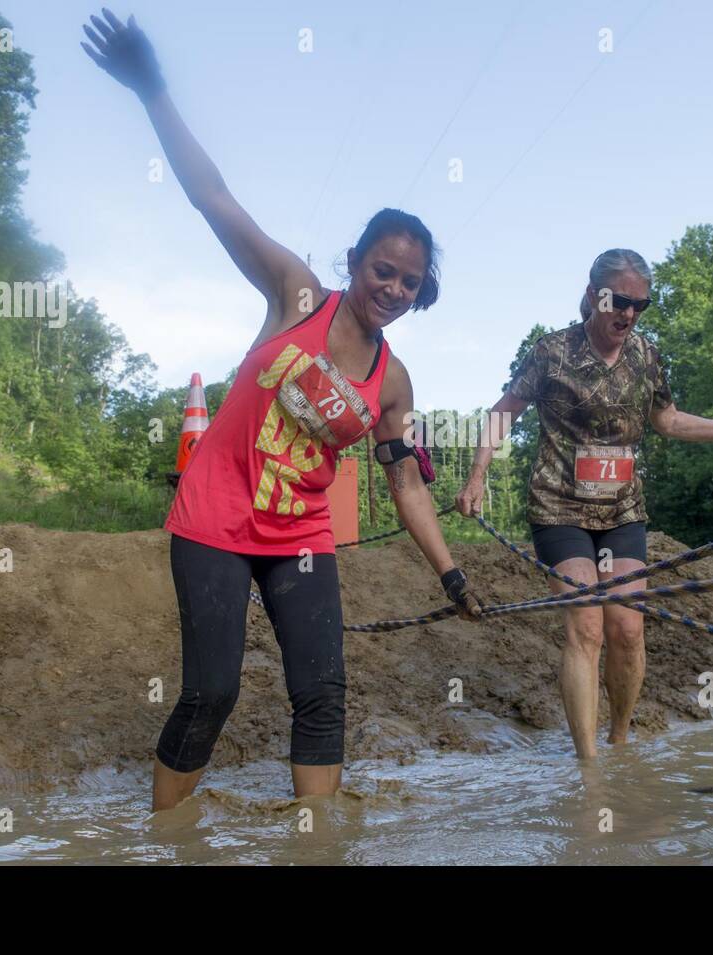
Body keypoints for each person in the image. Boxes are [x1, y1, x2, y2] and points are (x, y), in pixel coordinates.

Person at [81, 9, 483, 810]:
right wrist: (151, 89)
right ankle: (165, 844)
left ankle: (319, 842)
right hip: (215, 520)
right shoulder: (295, 294)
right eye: (383, 270)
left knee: (323, 694)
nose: (394, 289)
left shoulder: (394, 382)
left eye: (409, 281)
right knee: (213, 692)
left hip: (299, 533)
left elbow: (406, 486)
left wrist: (451, 572)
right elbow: (213, 198)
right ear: (355, 262)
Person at [455, 249, 713, 758]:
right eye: (619, 301)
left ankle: (621, 740)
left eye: (641, 305)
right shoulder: (552, 352)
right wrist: (477, 476)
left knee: (628, 627)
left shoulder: (646, 356)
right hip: (560, 507)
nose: (628, 314)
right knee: (586, 624)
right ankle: (588, 764)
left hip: (622, 511)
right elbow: (503, 414)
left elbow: (669, 420)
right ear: (593, 295)